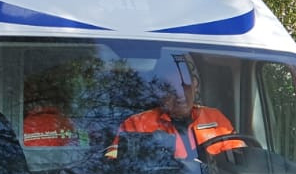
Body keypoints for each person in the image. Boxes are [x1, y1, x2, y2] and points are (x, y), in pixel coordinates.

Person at [104, 53, 245, 160]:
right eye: (172, 88)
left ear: (195, 85)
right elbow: (114, 167)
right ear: (159, 91)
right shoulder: (135, 124)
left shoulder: (216, 120)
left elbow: (241, 162)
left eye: (185, 85)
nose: (180, 95)